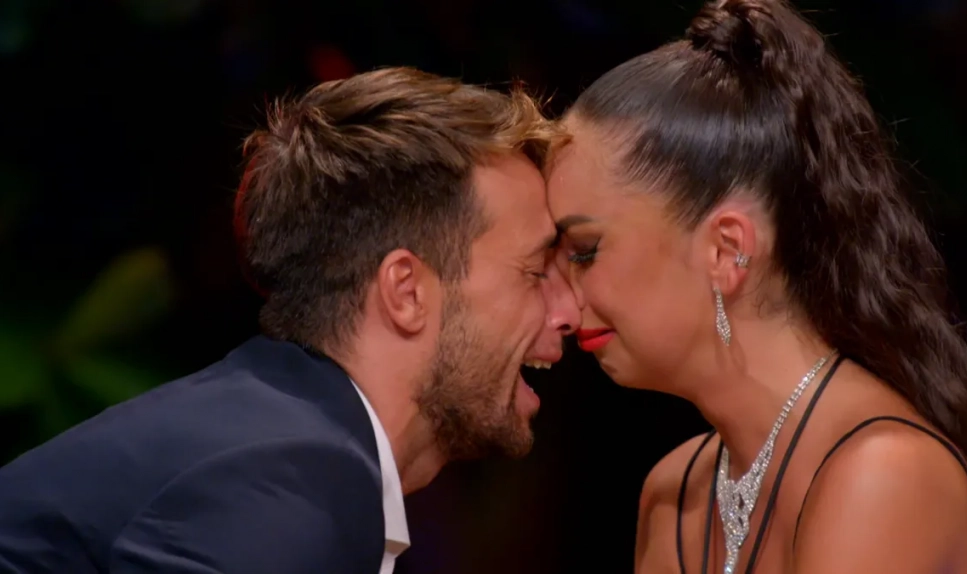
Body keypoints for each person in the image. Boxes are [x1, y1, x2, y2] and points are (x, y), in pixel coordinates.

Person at [0, 67, 579, 574]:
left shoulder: (280, 445)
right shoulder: (285, 485)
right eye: (533, 272)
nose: (568, 313)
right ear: (406, 292)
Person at [545, 1, 967, 572]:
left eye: (585, 250)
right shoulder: (670, 495)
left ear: (727, 249)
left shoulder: (881, 475)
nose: (559, 305)